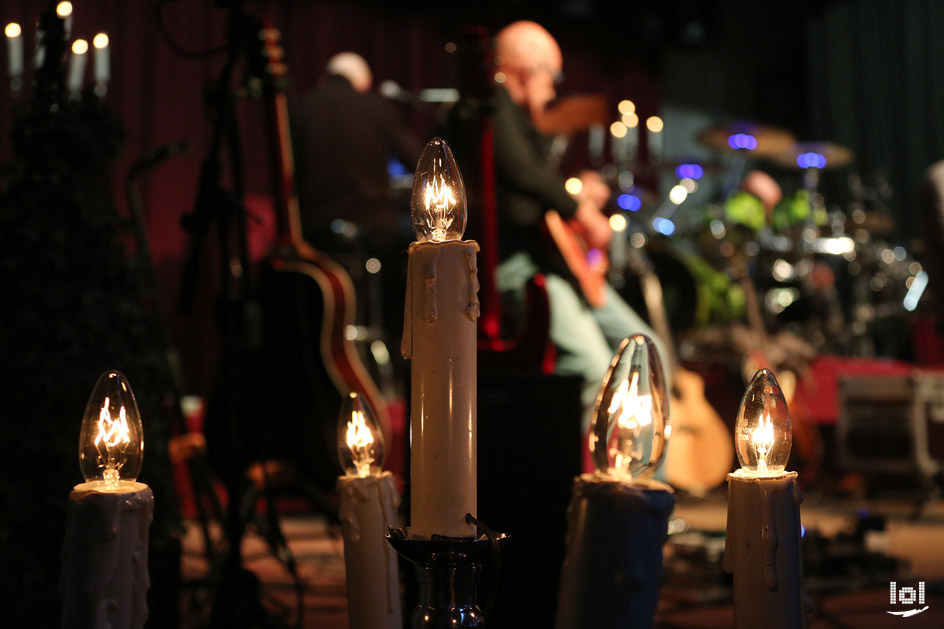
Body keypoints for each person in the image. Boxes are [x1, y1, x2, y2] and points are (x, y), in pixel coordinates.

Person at [445, 21, 670, 426]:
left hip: (554, 268)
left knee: (648, 351)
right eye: (553, 77)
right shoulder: (491, 107)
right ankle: (602, 482)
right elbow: (522, 173)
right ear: (529, 70)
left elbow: (531, 184)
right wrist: (580, 209)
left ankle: (648, 483)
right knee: (597, 368)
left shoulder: (516, 120)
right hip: (522, 269)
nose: (553, 91)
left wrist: (576, 196)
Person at [292, 52, 422, 249]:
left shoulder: (302, 107)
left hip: (315, 227)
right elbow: (417, 161)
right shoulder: (376, 107)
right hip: (372, 222)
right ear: (363, 83)